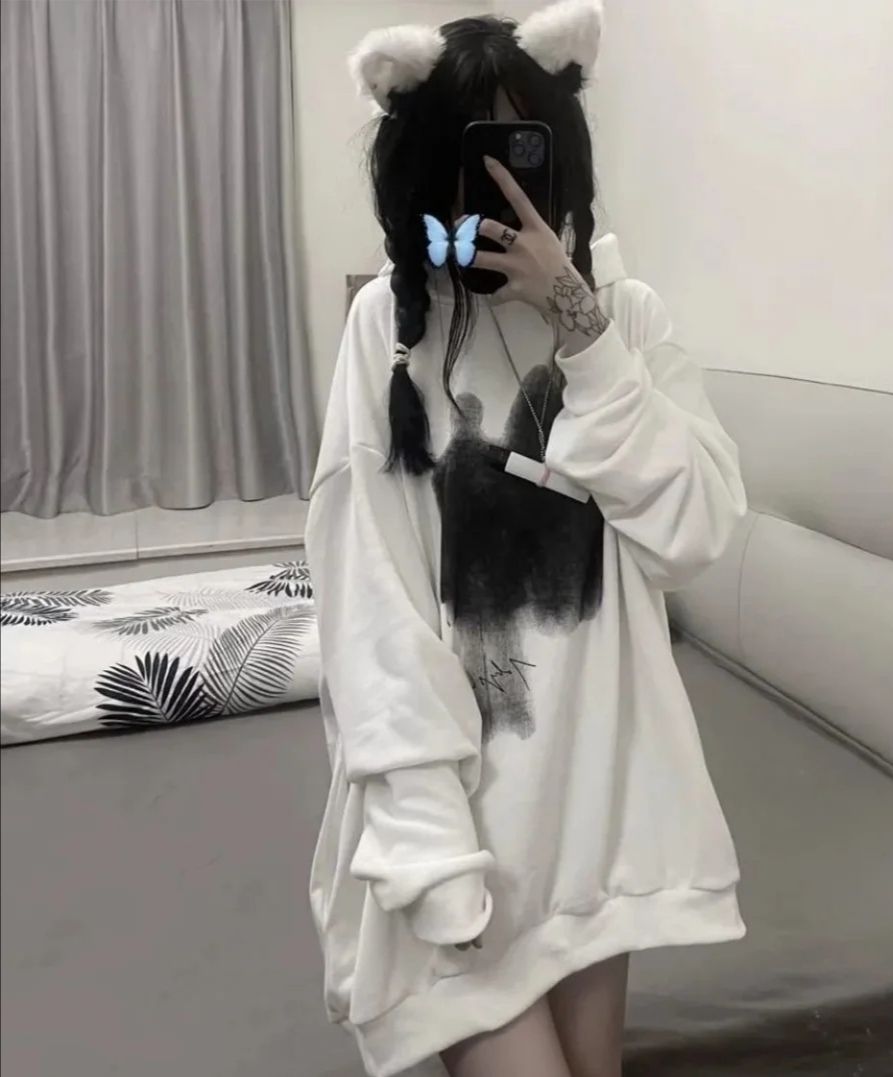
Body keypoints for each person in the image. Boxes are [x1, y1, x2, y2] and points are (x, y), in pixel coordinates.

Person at [304, 2, 749, 1075]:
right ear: (424, 165)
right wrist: (425, 842)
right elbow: (372, 600)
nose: (495, 184)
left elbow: (694, 531)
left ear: (562, 150)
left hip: (595, 820)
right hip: (458, 826)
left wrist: (582, 330)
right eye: (470, 154)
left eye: (522, 146)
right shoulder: (390, 330)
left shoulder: (624, 316)